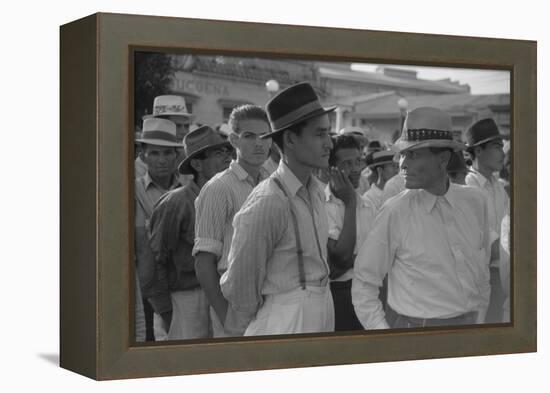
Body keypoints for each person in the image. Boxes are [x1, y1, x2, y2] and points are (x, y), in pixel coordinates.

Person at [352, 107, 492, 329]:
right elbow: (363, 283)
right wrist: (386, 337)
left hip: (470, 334)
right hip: (415, 335)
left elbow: (482, 270)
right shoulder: (394, 211)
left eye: (413, 154)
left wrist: (481, 320)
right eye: (403, 154)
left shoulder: (476, 202)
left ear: (443, 159)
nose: (403, 164)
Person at [220, 82, 335, 336]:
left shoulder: (315, 190)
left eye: (329, 133)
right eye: (319, 134)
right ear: (291, 139)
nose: (329, 143)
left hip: (321, 310)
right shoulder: (269, 201)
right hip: (283, 321)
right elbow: (241, 288)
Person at [193, 105, 272, 337]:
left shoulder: (271, 183)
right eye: (249, 136)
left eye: (265, 136)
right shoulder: (219, 188)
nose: (259, 143)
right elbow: (203, 262)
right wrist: (226, 316)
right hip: (234, 303)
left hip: (271, 299)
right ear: (234, 140)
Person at [147, 126, 232, 340]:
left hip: (222, 296)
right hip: (185, 301)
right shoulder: (175, 203)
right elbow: (155, 262)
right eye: (217, 153)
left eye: (226, 152)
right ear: (196, 164)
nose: (227, 158)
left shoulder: (229, 196)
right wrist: (167, 313)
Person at [134, 117, 185, 341]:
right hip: (144, 289)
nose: (161, 160)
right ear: (143, 156)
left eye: (167, 153)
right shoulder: (132, 189)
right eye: (154, 153)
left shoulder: (188, 190)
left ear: (177, 156)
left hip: (182, 287)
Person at [325, 134, 377, 331]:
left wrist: (353, 259)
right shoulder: (321, 206)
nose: (356, 169)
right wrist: (349, 203)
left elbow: (377, 258)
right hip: (338, 296)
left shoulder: (368, 205)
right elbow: (337, 264)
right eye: (347, 164)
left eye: (358, 161)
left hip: (368, 292)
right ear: (332, 169)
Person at [465, 118, 509, 323]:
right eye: (496, 146)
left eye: (502, 146)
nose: (503, 153)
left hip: (503, 273)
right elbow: (485, 244)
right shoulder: (467, 187)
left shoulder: (499, 187)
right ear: (478, 151)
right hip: (478, 278)